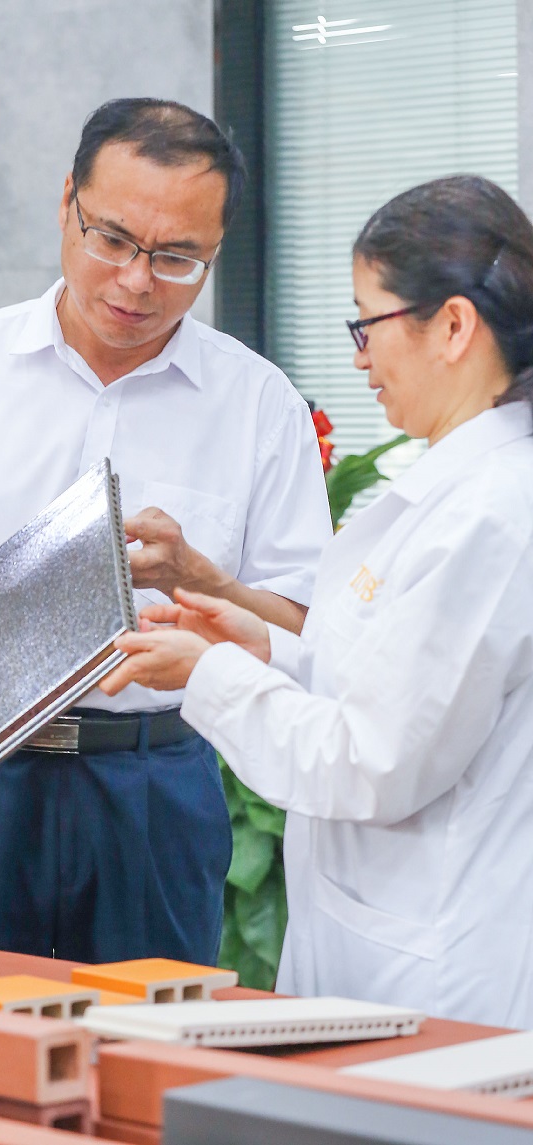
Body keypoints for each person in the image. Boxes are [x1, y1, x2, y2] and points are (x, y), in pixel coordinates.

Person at [0, 98, 331, 963]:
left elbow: (305, 627)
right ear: (66, 204)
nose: (137, 282)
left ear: (216, 249)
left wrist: (202, 578)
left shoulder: (259, 404)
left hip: (154, 783)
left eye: (176, 258)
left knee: (148, 1039)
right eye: (112, 239)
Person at [100, 174, 533, 1027]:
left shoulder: (491, 514)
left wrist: (208, 674)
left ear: (453, 326)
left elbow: (373, 759)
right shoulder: (460, 492)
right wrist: (265, 647)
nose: (359, 357)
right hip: (384, 936)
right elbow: (391, 683)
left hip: (440, 971)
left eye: (367, 324)